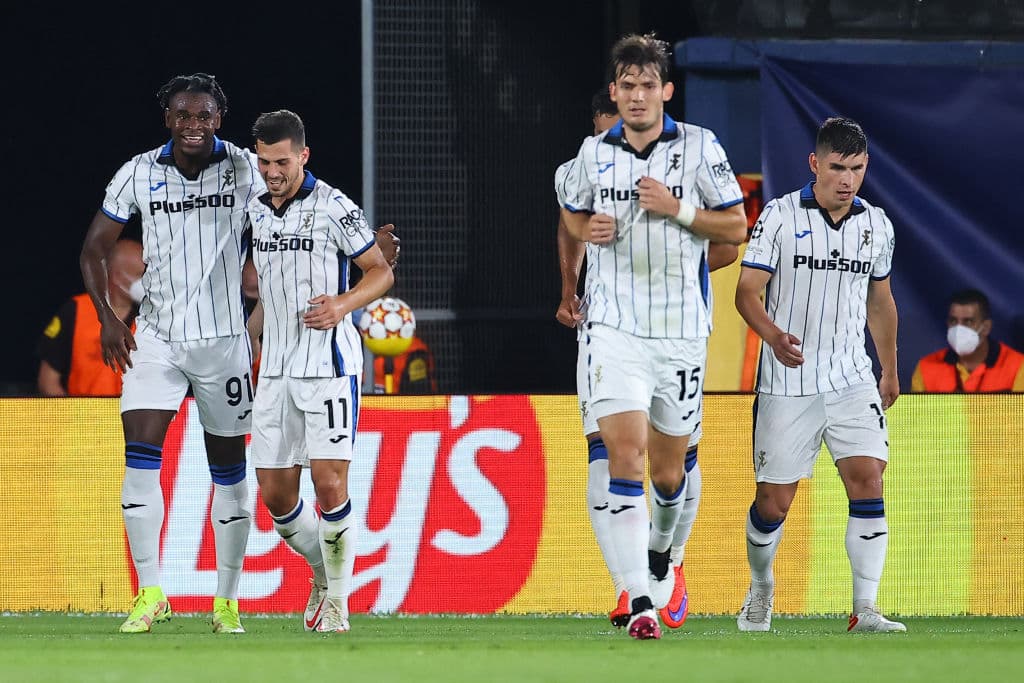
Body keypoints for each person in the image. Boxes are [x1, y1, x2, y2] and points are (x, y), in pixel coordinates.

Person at [559, 34, 747, 640]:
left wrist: (677, 210)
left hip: (681, 333)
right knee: (623, 455)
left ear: (666, 90)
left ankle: (664, 551)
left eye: (647, 85)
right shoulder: (592, 154)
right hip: (615, 329)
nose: (637, 95)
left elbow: (736, 226)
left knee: (669, 476)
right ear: (614, 92)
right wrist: (588, 228)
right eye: (627, 86)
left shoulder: (700, 147)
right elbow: (569, 213)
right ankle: (640, 599)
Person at [80, 73, 261, 634]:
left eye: (204, 115)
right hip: (155, 339)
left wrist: (361, 246)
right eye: (183, 115)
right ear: (167, 119)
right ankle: (150, 592)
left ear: (219, 119)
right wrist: (108, 317)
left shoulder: (245, 167)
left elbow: (299, 201)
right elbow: (94, 250)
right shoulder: (137, 172)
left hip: (223, 342)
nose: (193, 125)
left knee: (229, 471)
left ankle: (226, 601)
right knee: (139, 457)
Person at [735, 117, 905, 633]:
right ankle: (761, 586)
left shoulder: (877, 225)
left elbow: (880, 301)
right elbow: (746, 291)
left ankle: (865, 609)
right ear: (815, 163)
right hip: (788, 380)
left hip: (851, 376)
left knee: (868, 478)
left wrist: (889, 368)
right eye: (836, 167)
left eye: (856, 168)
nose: (847, 179)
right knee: (773, 503)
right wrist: (772, 336)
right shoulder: (779, 216)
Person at [246, 110, 393, 633]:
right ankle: (323, 573)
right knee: (275, 495)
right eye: (264, 162)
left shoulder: (334, 206)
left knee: (330, 485)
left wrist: (342, 305)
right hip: (275, 370)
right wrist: (251, 335)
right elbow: (272, 289)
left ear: (303, 155)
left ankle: (338, 606)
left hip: (327, 367)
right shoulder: (255, 209)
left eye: (282, 162)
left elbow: (381, 271)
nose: (272, 172)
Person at [39, 239, 144, 396]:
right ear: (117, 276)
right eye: (140, 276)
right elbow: (48, 381)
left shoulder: (150, 317)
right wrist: (71, 411)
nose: (147, 283)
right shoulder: (76, 310)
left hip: (130, 410)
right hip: (82, 410)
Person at [911, 289, 1024, 392]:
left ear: (986, 327)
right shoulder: (926, 367)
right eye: (953, 321)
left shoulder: (1018, 366)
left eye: (968, 322)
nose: (959, 328)